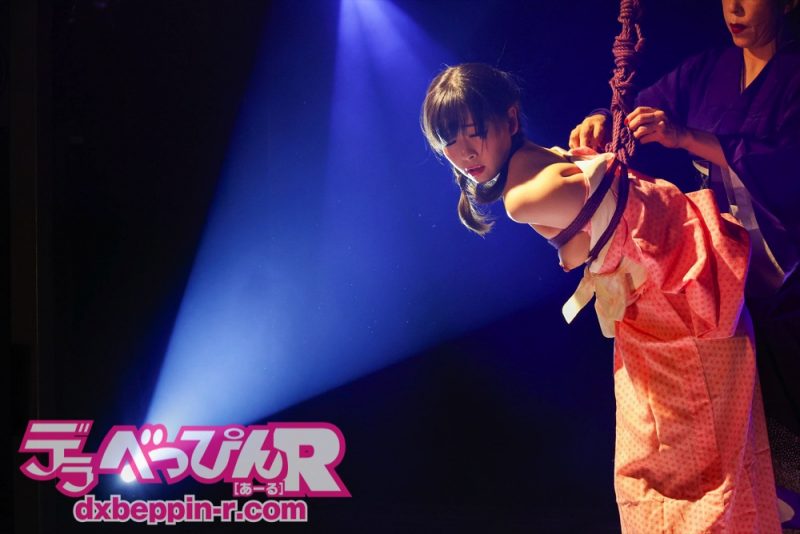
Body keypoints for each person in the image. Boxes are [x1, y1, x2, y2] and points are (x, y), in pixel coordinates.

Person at [422, 62, 781, 532]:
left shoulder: (522, 198)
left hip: (678, 317)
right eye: (449, 141)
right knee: (700, 472)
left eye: (475, 132)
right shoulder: (543, 160)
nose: (465, 153)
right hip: (673, 305)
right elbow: (607, 207)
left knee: (688, 485)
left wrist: (595, 176)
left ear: (510, 119)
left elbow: (607, 211)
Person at [570, 0, 800, 524]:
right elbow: (638, 108)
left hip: (783, 274)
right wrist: (604, 120)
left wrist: (688, 137)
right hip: (721, 267)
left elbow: (789, 167)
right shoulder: (707, 71)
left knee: (784, 424)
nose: (734, 8)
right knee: (724, 417)